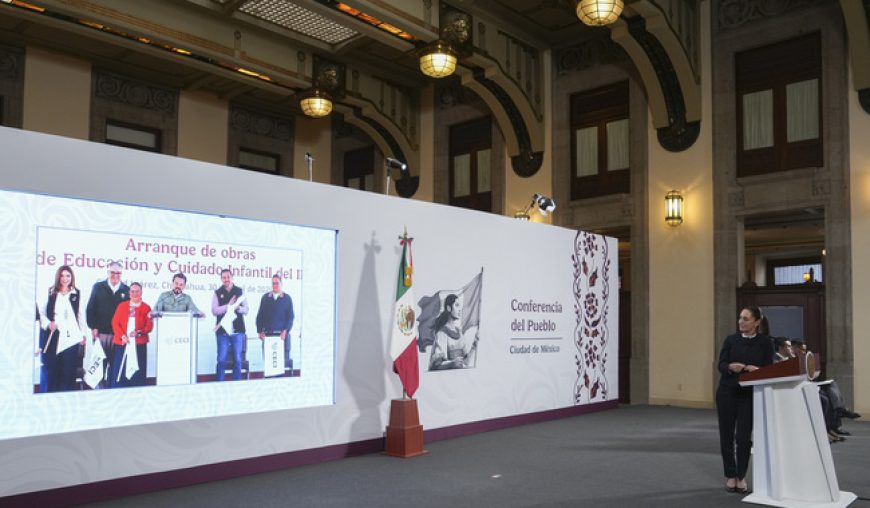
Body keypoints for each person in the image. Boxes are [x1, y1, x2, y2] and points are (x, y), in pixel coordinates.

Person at [716, 306, 773, 494]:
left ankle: (741, 475)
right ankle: (730, 475)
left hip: (748, 395)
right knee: (726, 436)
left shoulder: (765, 343)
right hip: (727, 392)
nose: (741, 321)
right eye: (740, 317)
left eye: (746, 319)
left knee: (742, 437)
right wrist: (730, 367)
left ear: (757, 322)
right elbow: (721, 364)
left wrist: (758, 370)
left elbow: (769, 368)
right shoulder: (730, 340)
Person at [40, 265, 90, 392]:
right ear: (58, 277)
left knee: (68, 373)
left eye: (68, 275)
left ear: (72, 277)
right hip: (54, 338)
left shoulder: (77, 294)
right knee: (52, 371)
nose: (65, 278)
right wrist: (48, 324)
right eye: (62, 275)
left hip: (71, 339)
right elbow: (41, 313)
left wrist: (83, 334)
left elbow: (81, 316)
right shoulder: (51, 293)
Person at [85, 261, 130, 388]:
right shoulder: (98, 287)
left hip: (118, 336)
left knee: (115, 369)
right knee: (99, 367)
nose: (115, 275)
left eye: (118, 273)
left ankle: (112, 391)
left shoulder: (127, 290)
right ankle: (99, 392)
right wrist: (93, 327)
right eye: (112, 272)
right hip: (101, 335)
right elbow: (90, 309)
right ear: (107, 272)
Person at [110, 282, 153, 388]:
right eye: (132, 291)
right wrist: (122, 336)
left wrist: (138, 332)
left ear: (141, 292)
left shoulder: (146, 308)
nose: (135, 294)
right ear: (129, 293)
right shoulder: (121, 306)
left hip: (139, 345)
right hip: (122, 343)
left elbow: (149, 326)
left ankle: (137, 390)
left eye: (137, 291)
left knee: (138, 371)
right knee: (120, 369)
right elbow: (115, 323)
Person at [211, 269, 248, 381]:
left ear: (232, 277)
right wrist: (228, 306)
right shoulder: (217, 292)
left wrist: (238, 308)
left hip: (237, 331)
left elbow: (246, 309)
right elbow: (214, 310)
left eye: (228, 277)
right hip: (222, 332)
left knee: (237, 359)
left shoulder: (239, 291)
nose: (226, 279)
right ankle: (219, 384)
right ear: (221, 279)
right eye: (224, 277)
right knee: (221, 360)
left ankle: (236, 385)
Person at [255, 275, 295, 372]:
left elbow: (290, 318)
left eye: (277, 283)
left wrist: (285, 331)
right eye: (273, 283)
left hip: (281, 337)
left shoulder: (287, 298)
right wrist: (260, 331)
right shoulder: (265, 298)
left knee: (280, 366)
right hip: (268, 336)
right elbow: (259, 316)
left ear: (281, 284)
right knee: (269, 367)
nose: (275, 285)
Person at [429, 294, 479, 370]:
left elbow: (466, 362)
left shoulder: (459, 333)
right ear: (449, 308)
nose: (460, 309)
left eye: (459, 306)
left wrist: (474, 345)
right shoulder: (442, 333)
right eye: (457, 305)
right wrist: (452, 363)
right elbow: (437, 365)